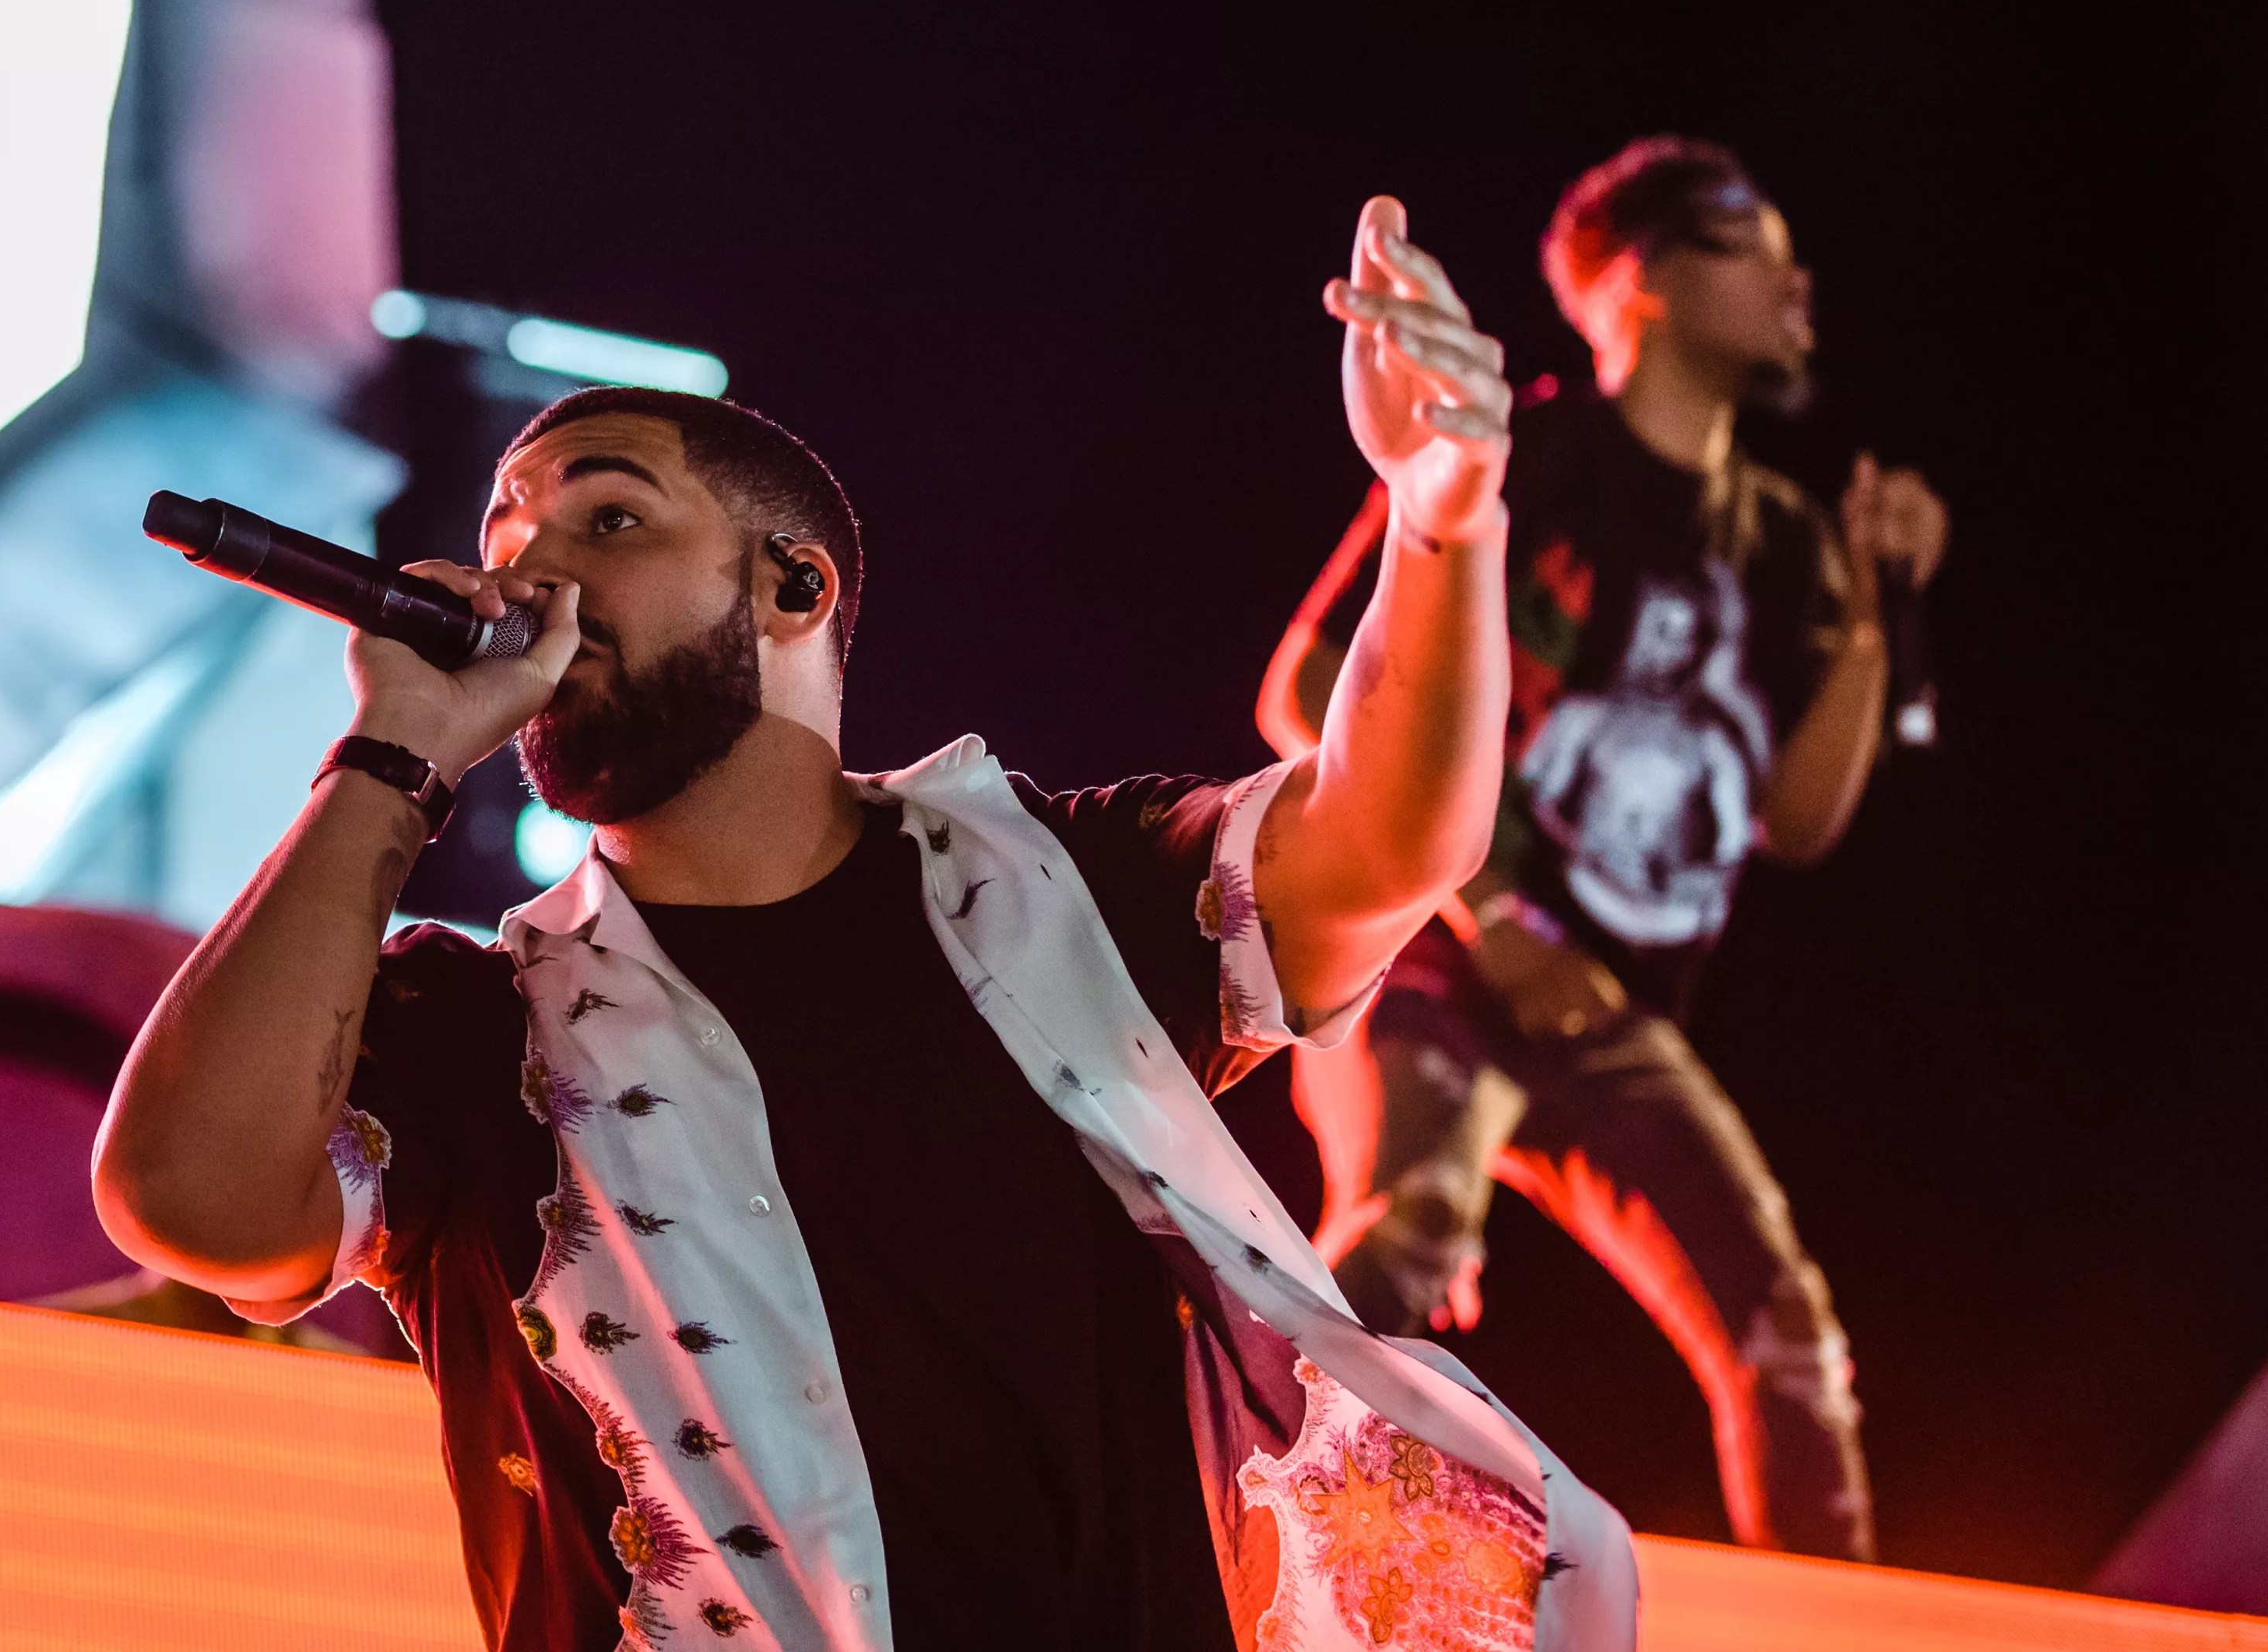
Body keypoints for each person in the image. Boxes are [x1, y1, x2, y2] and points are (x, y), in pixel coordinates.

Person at [94, 199, 1634, 1652]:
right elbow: (189, 1199)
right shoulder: (472, 1031)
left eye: (607, 519)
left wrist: (1443, 516)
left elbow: (1384, 841)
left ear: (792, 587)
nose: (529, 575)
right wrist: (392, 757)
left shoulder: (1057, 890)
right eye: (506, 540)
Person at [1254, 139, 1948, 1564]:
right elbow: (1309, 690)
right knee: (1408, 1234)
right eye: (1754, 249)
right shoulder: (1529, 461)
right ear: (1642, 281)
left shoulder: (1787, 540)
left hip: (1609, 1013)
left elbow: (1800, 821)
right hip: (1438, 961)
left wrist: (1881, 611)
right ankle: (1223, 1551)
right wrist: (1501, 914)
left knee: (1788, 1334)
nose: (1797, 285)